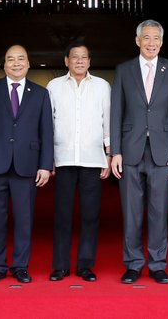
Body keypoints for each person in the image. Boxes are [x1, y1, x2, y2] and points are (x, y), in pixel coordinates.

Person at [110, 19, 168, 284]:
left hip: (162, 152)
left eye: (156, 38)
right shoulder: (124, 70)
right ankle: (132, 264)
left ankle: (157, 264)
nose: (151, 42)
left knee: (158, 211)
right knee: (131, 212)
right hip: (130, 150)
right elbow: (116, 111)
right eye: (146, 37)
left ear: (161, 42)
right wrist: (115, 151)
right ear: (137, 41)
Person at [0, 44, 54, 284]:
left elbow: (46, 132)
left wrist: (45, 165)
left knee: (24, 219)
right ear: (4, 64)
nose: (16, 63)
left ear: (28, 64)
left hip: (27, 165)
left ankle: (20, 266)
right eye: (11, 59)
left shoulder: (40, 93)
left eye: (21, 59)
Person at [46, 40, 111, 282]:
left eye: (84, 57)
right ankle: (60, 266)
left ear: (89, 61)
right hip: (63, 158)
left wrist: (109, 154)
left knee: (90, 215)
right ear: (67, 61)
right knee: (62, 214)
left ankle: (85, 265)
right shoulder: (54, 87)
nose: (80, 61)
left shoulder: (103, 87)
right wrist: (48, 158)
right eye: (75, 57)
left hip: (93, 159)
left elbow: (108, 122)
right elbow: (48, 125)